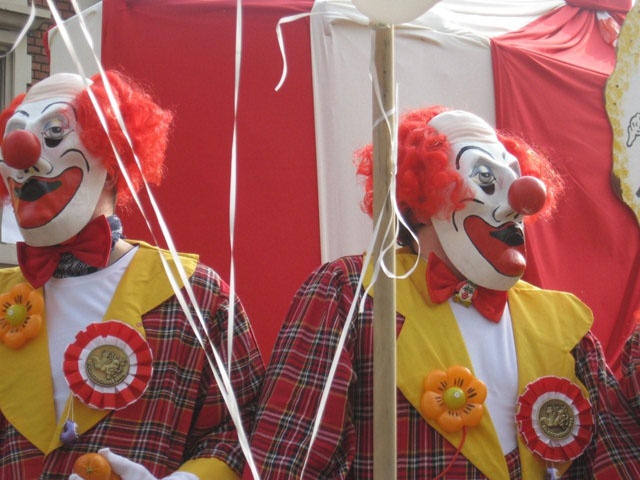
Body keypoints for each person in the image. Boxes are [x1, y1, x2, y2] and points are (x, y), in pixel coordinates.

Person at [246, 105, 640, 479]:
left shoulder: (562, 323)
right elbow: (287, 460)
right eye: (486, 178)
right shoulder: (352, 293)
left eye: (515, 176)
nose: (523, 200)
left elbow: (616, 460)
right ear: (422, 197)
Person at [0, 71, 264, 480]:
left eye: (53, 132)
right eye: (14, 135)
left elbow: (242, 426)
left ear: (111, 165)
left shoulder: (197, 296)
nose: (21, 152)